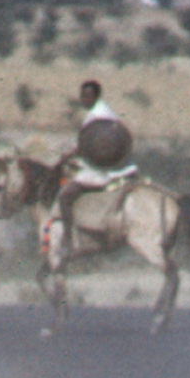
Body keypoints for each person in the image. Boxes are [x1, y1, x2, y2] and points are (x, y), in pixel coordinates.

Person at [52, 78, 136, 250]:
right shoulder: (103, 112)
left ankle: (68, 238)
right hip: (104, 164)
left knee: (65, 197)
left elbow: (97, 144)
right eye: (83, 96)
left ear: (97, 96)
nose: (84, 99)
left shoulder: (98, 115)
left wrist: (69, 156)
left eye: (88, 96)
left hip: (99, 170)